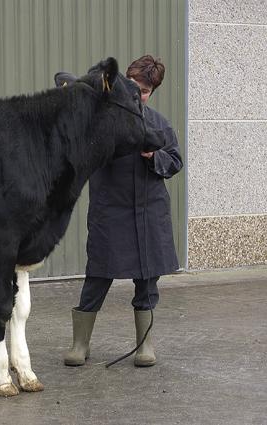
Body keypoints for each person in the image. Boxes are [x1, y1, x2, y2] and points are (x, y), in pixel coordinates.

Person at [64, 55, 183, 368]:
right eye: (134, 87)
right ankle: (80, 344)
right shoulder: (103, 117)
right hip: (110, 210)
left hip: (149, 212)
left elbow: (175, 162)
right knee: (98, 276)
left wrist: (152, 155)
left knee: (147, 282)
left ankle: (145, 345)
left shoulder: (158, 123)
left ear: (152, 92)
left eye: (145, 91)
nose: (139, 93)